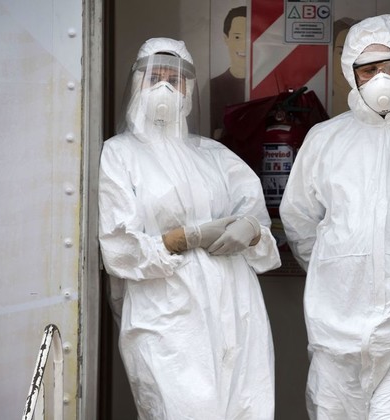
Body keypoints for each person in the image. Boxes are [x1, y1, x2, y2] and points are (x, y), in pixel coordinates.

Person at [98, 37, 281, 420]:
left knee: (247, 409)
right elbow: (120, 249)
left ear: (189, 88)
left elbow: (259, 226)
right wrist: (184, 238)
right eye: (155, 78)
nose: (165, 87)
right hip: (167, 317)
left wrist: (250, 228)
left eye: (175, 79)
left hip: (237, 312)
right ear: (137, 83)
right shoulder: (120, 153)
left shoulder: (213, 155)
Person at [279, 15, 390, 419]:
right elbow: (299, 219)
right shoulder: (326, 139)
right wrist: (338, 266)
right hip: (334, 337)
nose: (382, 79)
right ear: (351, 73)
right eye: (369, 70)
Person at [210, 6, 247, 139]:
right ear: (226, 38)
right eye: (237, 37)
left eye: (249, 37)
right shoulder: (214, 87)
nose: (244, 45)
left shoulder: (267, 85)